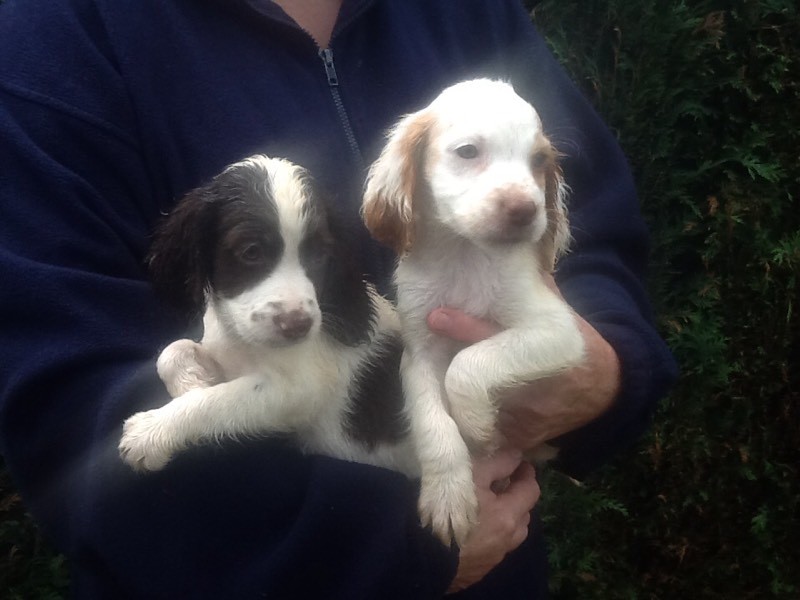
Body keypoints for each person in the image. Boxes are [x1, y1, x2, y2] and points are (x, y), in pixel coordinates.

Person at [0, 0, 678, 597]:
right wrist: (388, 548)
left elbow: (581, 229)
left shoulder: (469, 7)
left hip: (495, 558)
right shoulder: (55, 32)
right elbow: (65, 405)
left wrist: (606, 374)